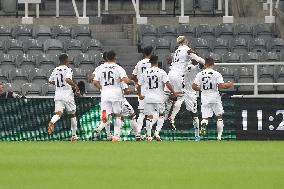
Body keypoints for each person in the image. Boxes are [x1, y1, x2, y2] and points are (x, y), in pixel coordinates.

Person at [93, 50, 134, 142]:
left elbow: (94, 82)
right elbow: (125, 80)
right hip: (116, 93)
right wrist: (133, 82)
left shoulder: (100, 68)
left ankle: (100, 128)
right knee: (118, 115)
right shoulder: (118, 68)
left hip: (105, 94)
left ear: (106, 57)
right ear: (115, 57)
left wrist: (102, 88)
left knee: (107, 115)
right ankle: (116, 136)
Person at [165, 36, 205, 129]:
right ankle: (171, 117)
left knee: (174, 97)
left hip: (171, 74)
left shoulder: (177, 51)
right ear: (186, 41)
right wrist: (207, 63)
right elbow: (200, 62)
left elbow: (176, 61)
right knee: (191, 110)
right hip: (189, 91)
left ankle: (166, 113)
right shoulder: (194, 66)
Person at [192, 57, 234, 141]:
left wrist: (202, 89)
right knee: (219, 117)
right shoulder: (216, 74)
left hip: (205, 97)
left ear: (205, 64)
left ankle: (204, 125)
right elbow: (222, 86)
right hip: (215, 97)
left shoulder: (200, 74)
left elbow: (193, 86)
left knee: (205, 118)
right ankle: (219, 137)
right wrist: (230, 84)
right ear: (213, 64)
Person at [138, 55, 177, 141]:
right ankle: (156, 133)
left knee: (149, 116)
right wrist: (174, 92)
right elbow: (167, 83)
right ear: (157, 61)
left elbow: (139, 85)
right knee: (161, 115)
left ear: (150, 62)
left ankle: (149, 136)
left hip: (148, 97)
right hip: (159, 97)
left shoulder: (145, 72)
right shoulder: (161, 71)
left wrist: (140, 94)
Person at [47, 54, 81, 142]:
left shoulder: (55, 69)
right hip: (67, 95)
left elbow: (50, 81)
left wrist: (58, 84)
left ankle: (52, 122)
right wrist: (76, 87)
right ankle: (74, 136)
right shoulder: (68, 69)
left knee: (58, 113)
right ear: (66, 60)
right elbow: (68, 80)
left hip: (58, 95)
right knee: (72, 114)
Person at [132, 46, 153, 135]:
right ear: (151, 53)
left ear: (144, 53)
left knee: (141, 113)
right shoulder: (153, 64)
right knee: (152, 113)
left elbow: (133, 76)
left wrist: (137, 83)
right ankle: (148, 134)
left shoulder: (139, 63)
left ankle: (138, 132)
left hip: (142, 90)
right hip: (152, 90)